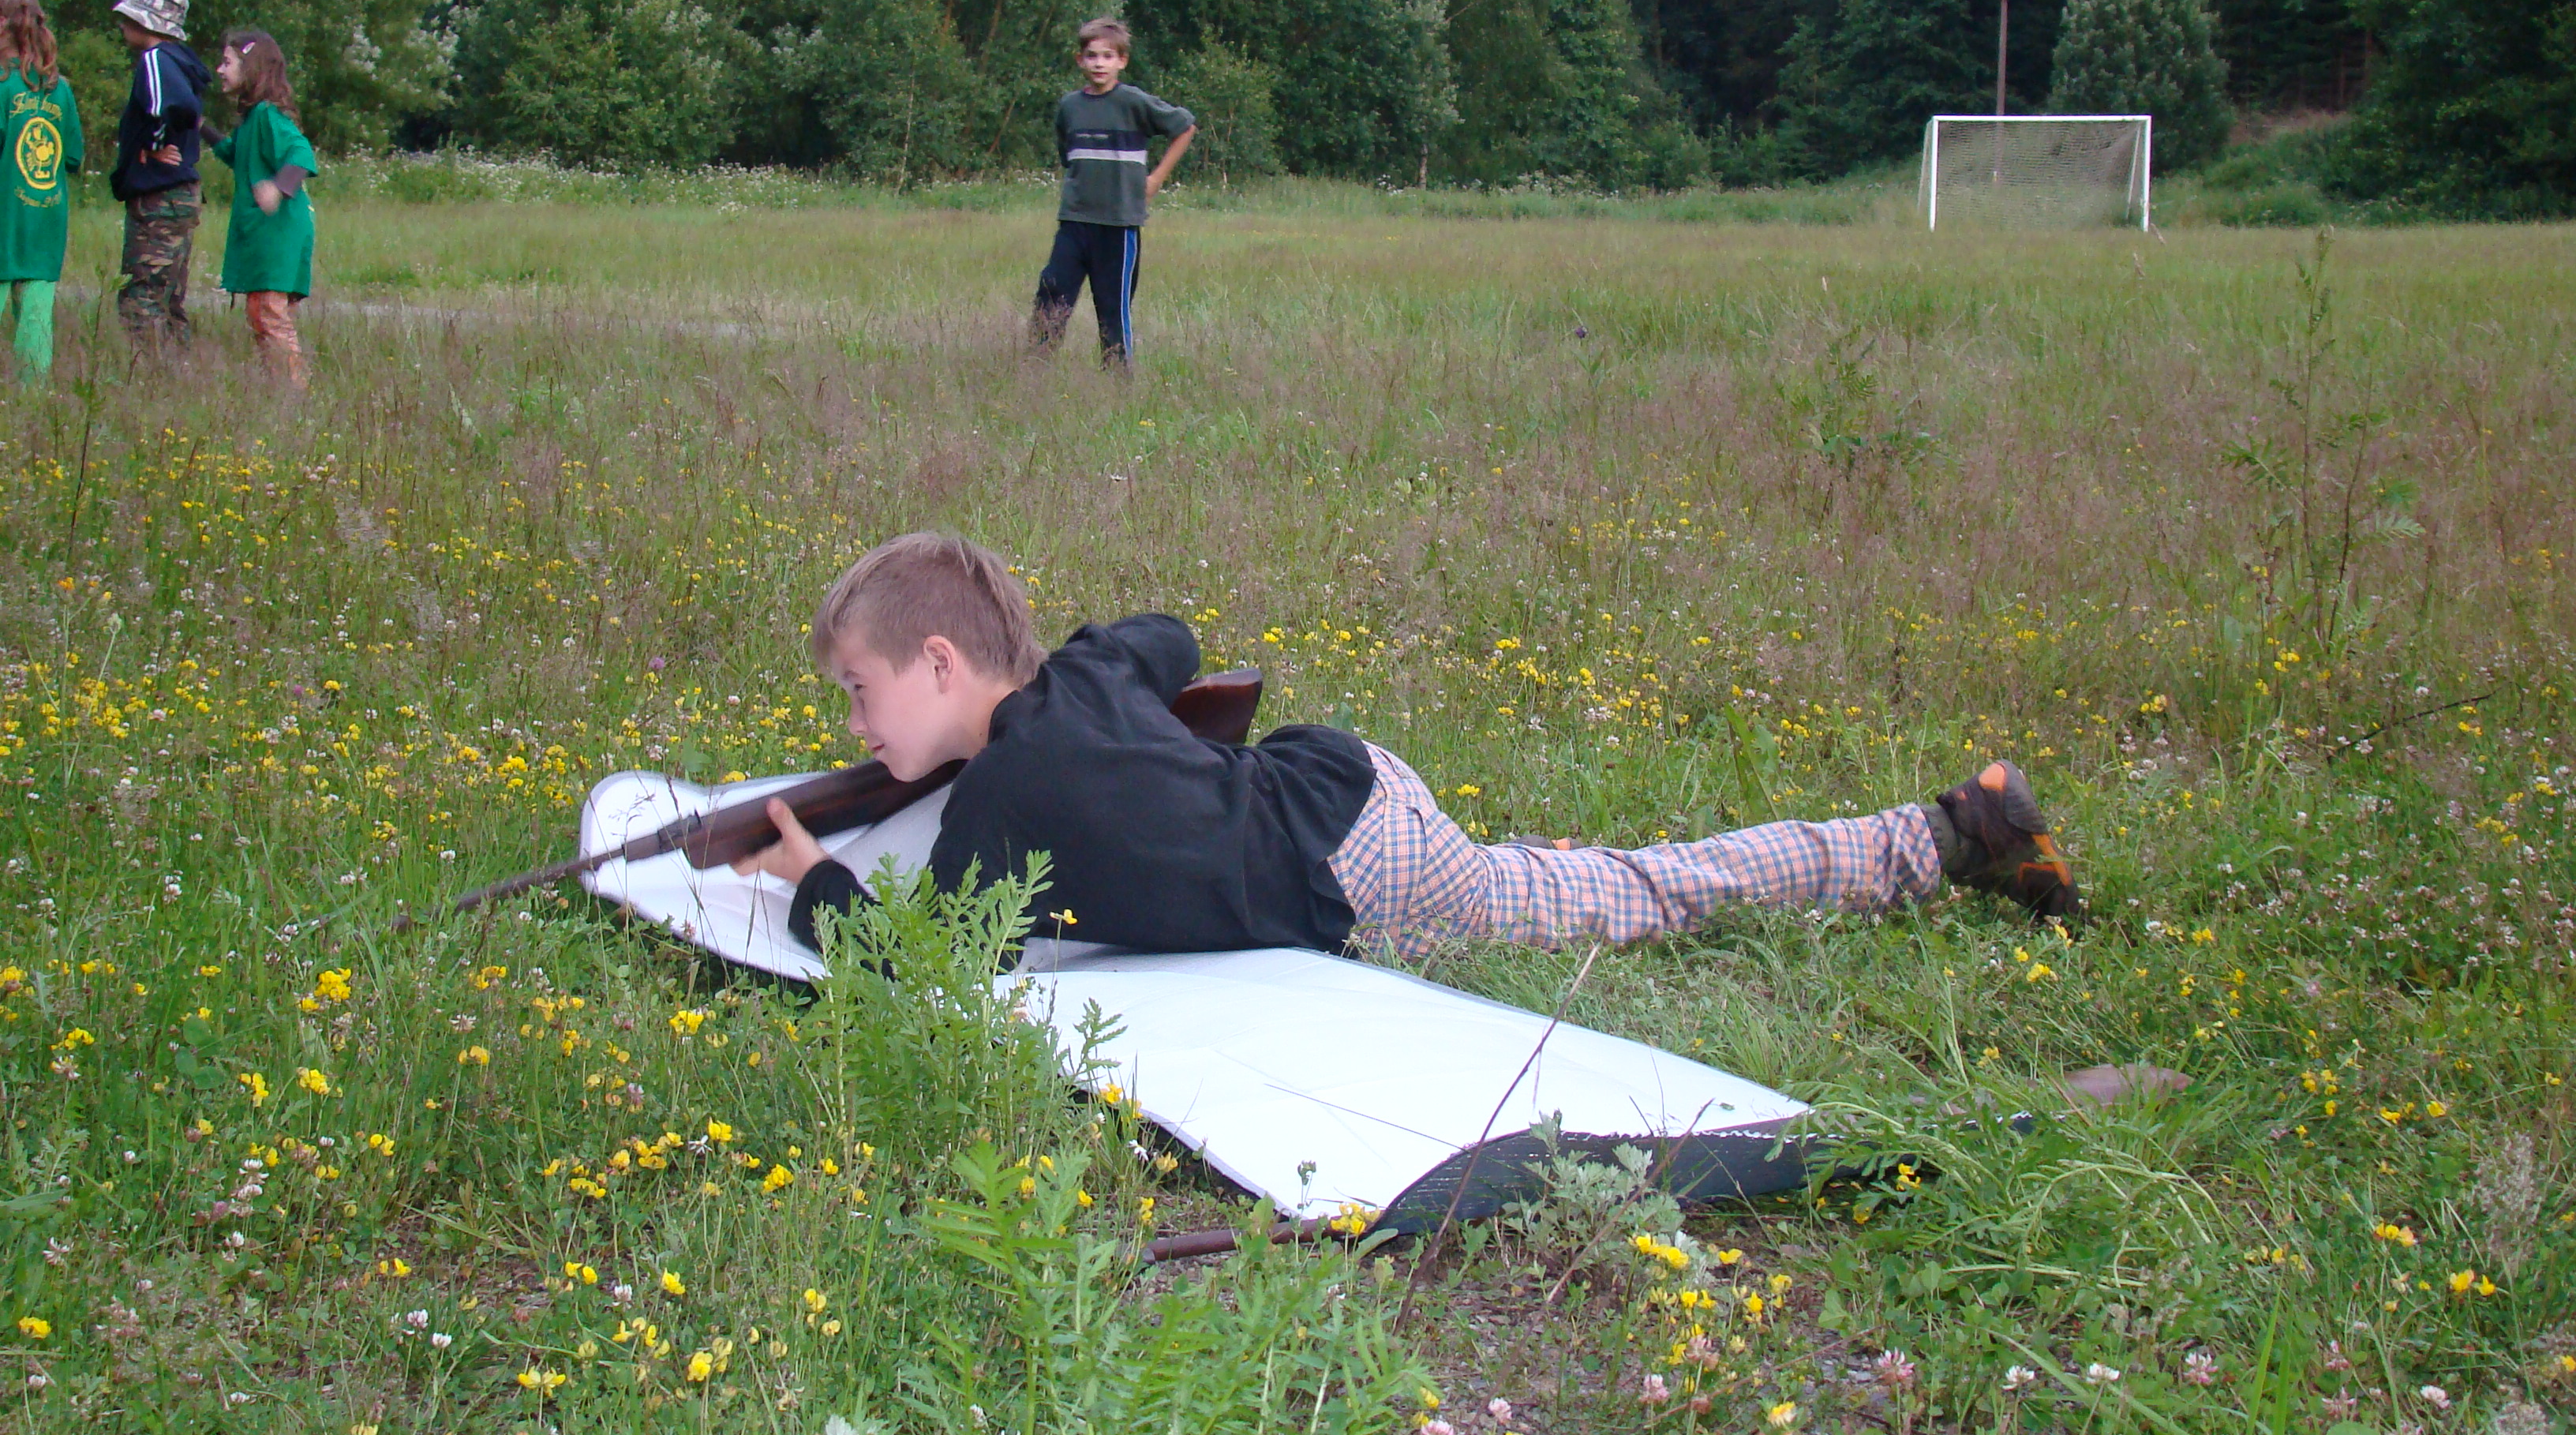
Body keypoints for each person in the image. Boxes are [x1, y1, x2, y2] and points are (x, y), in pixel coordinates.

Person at [738, 534, 2082, 961]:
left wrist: (810, 878)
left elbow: (909, 970)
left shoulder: (993, 814)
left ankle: (1947, 835)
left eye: (861, 691)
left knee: (1638, 894)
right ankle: (1934, 834)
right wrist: (1079, 678)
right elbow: (1170, 635)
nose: (853, 727)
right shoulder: (1081, 682)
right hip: (1343, 778)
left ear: (939, 662)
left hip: (1354, 866)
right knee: (1573, 877)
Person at [1027, 19, 1194, 369]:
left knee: (1112, 309)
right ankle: (1035, 372)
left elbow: (1185, 127)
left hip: (1118, 225)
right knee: (1052, 294)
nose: (1099, 63)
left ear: (1122, 61)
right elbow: (1069, 156)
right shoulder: (1070, 107)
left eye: (1107, 56)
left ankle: (1117, 381)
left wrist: (1156, 179)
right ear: (1080, 60)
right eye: (1092, 56)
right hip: (1075, 222)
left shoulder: (1133, 102)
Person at [210, 30, 318, 388]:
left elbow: (300, 153)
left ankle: (294, 392)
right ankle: (279, 386)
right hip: (265, 235)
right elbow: (236, 153)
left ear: (252, 68)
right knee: (260, 313)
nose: (220, 70)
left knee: (271, 315)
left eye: (227, 62)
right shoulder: (252, 120)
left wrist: (279, 188)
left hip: (279, 234)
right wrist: (200, 128)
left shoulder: (269, 116)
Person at [107, 0, 210, 350]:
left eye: (128, 18)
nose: (122, 25)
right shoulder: (183, 60)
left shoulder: (155, 59)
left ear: (145, 21)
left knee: (143, 296)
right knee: (170, 295)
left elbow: (172, 105)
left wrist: (152, 145)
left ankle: (148, 371)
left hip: (158, 194)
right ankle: (178, 367)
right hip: (182, 194)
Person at [0, 0, 83, 388]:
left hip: (5, 218)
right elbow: (72, 156)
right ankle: (31, 399)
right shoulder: (59, 88)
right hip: (46, 218)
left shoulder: (2, 84)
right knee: (35, 318)